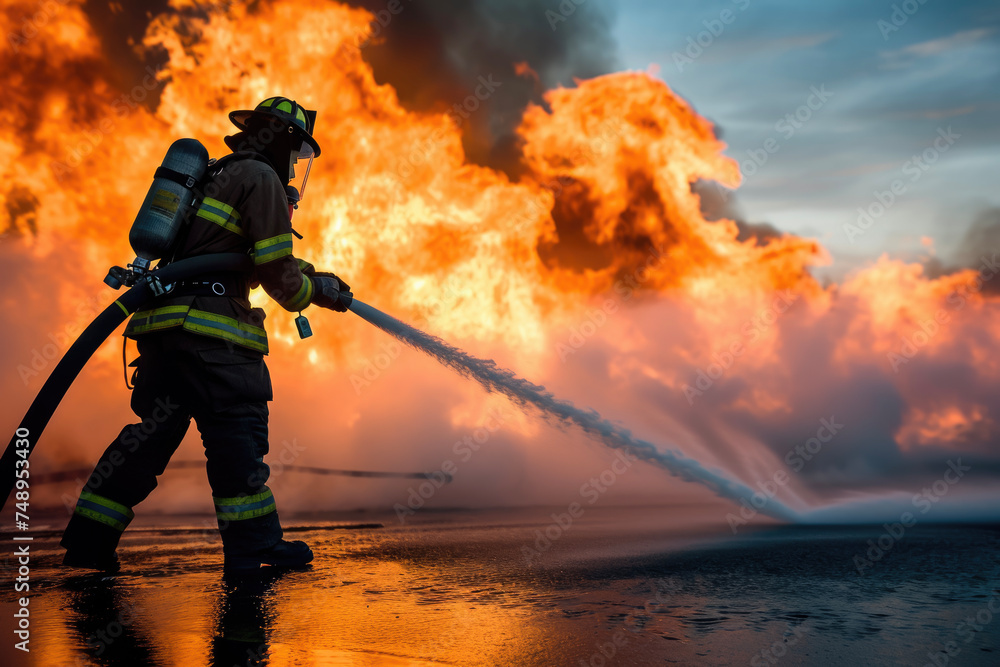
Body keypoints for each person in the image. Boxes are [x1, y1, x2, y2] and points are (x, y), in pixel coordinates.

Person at [60, 96, 352, 573]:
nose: (297, 166)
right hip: (214, 339)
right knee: (238, 433)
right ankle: (254, 546)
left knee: (148, 442)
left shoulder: (216, 176)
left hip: (162, 334)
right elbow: (276, 273)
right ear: (281, 140)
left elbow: (244, 257)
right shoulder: (261, 178)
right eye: (297, 152)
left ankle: (88, 543)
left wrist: (316, 276)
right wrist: (313, 292)